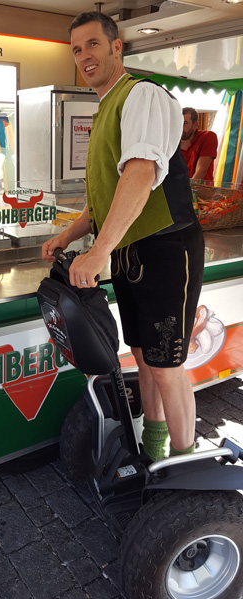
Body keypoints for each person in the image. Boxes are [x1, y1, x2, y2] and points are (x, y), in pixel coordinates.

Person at [42, 11, 205, 462]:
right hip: (132, 251)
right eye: (77, 49)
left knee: (168, 365)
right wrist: (71, 233)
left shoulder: (142, 95)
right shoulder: (106, 107)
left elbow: (139, 175)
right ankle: (153, 448)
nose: (84, 56)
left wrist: (97, 252)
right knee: (143, 353)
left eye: (92, 44)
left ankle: (185, 467)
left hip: (167, 247)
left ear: (117, 46)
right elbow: (104, 197)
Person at [181, 107, 218, 183]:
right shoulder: (172, 140)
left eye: (185, 123)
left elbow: (201, 171)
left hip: (201, 191)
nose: (180, 127)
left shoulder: (208, 137)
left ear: (196, 125)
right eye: (178, 122)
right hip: (179, 190)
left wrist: (187, 192)